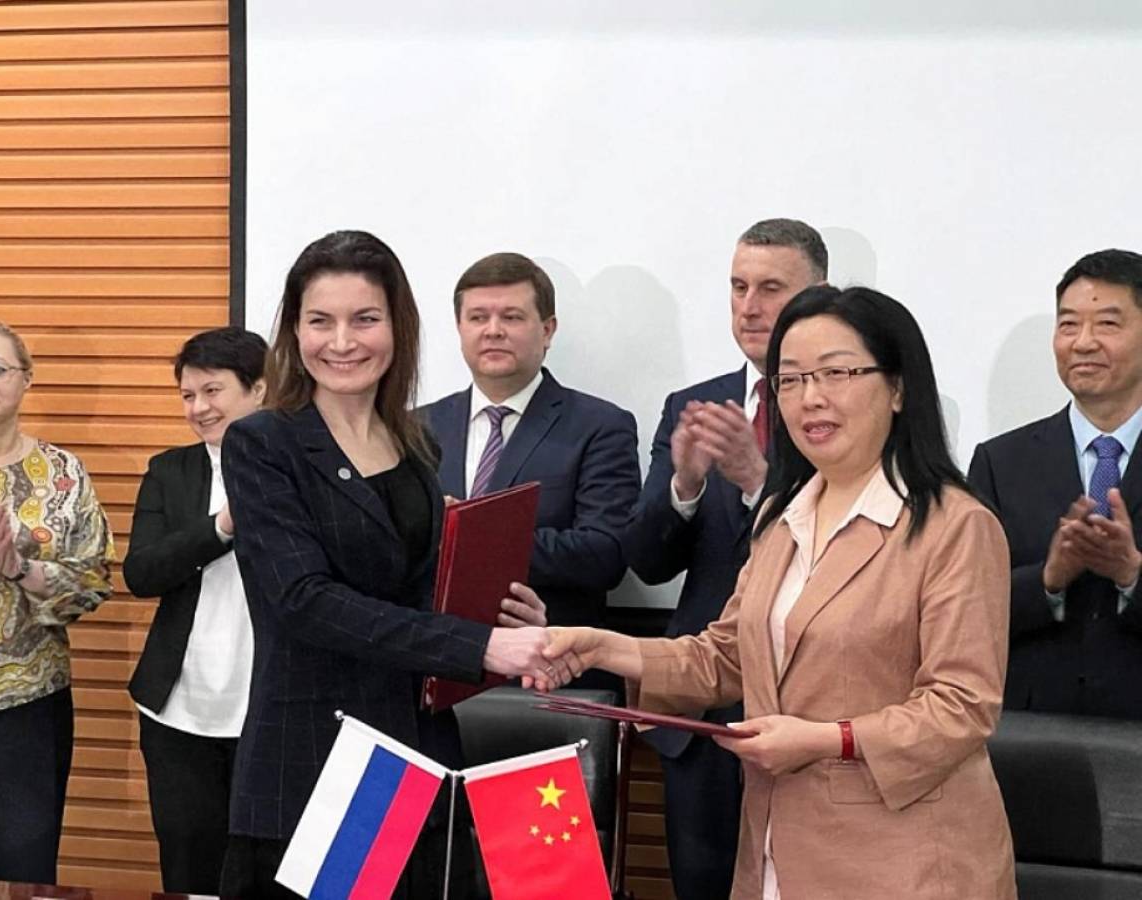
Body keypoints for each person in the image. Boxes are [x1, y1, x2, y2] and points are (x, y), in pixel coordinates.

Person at [546, 286, 1016, 899]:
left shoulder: (954, 525)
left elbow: (961, 706)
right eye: (790, 380)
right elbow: (726, 657)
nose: (809, 397)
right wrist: (604, 647)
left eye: (837, 373)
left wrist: (823, 739)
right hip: (775, 846)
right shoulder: (782, 516)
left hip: (907, 860)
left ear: (899, 388)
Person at [218, 231, 562, 899]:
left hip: (417, 750)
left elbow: (420, 586)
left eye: (365, 319)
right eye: (321, 321)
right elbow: (303, 600)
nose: (342, 341)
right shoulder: (263, 443)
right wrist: (479, 644)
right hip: (320, 761)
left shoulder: (415, 439)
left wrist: (499, 614)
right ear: (294, 331)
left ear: (397, 326)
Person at [621, 218, 826, 898]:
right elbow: (648, 562)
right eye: (738, 288)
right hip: (701, 717)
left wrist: (756, 481)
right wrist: (684, 486)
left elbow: (849, 551)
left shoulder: (842, 408)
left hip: (808, 705)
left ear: (818, 295)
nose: (749, 307)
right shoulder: (693, 405)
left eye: (771, 288)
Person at [0, 320, 114, 885]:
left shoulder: (63, 474)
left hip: (33, 703)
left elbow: (93, 580)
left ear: (26, 378)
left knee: (25, 871)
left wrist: (21, 569)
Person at [418, 251, 640, 635]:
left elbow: (605, 553)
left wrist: (469, 535)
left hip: (547, 653)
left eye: (511, 317)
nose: (493, 330)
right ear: (459, 328)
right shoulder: (415, 427)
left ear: (548, 330)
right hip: (432, 650)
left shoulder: (600, 426)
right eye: (478, 317)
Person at [123, 326, 268, 894]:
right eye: (187, 395)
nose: (199, 408)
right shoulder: (170, 471)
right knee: (187, 868)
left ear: (259, 389)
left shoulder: (300, 469)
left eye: (213, 391)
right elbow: (142, 573)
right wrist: (222, 527)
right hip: (179, 710)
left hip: (269, 709)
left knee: (266, 868)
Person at [969, 249, 1142, 717]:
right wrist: (1049, 578)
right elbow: (965, 610)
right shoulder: (1000, 462)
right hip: (1030, 735)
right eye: (1068, 325)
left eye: (1107, 324)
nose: (1083, 343)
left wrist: (1131, 573)